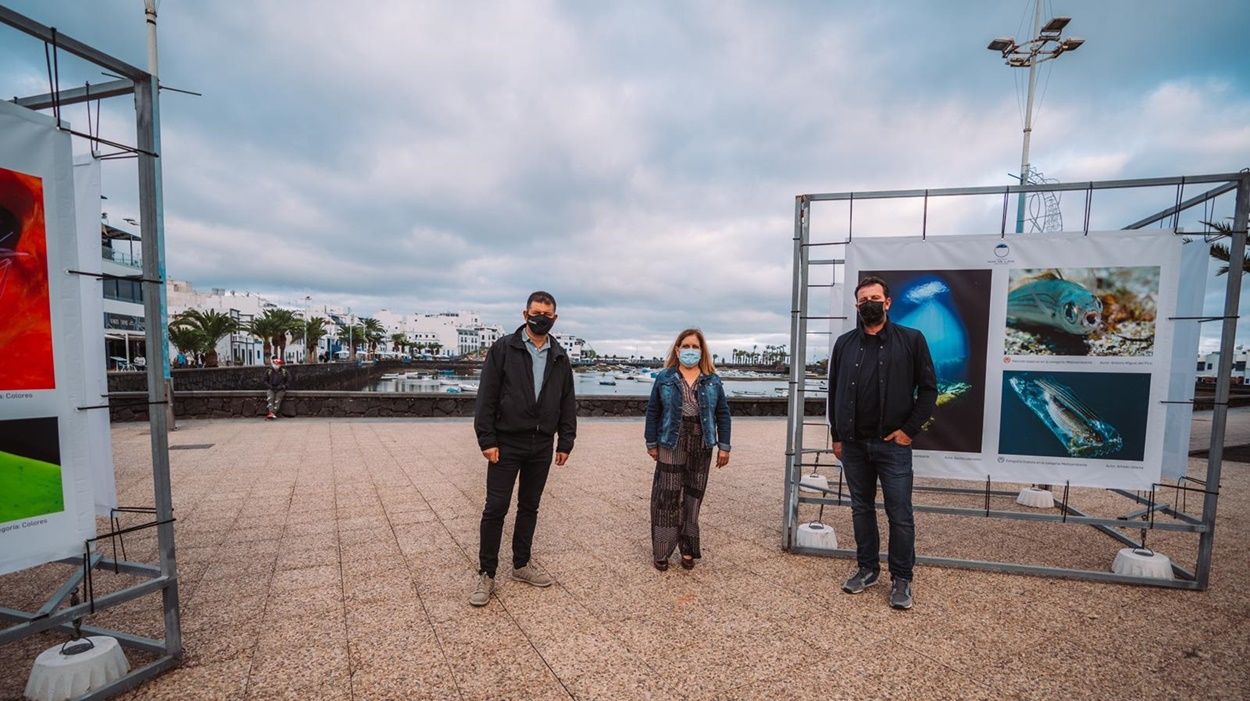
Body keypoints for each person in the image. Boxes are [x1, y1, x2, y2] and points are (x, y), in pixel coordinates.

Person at [828, 276, 937, 610]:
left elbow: (929, 390)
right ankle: (867, 569)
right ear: (856, 306)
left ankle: (901, 578)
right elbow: (832, 390)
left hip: (893, 446)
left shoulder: (911, 340)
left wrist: (909, 431)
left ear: (888, 303)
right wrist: (836, 435)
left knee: (900, 514)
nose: (869, 303)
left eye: (875, 298)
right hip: (854, 445)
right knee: (861, 509)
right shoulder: (844, 344)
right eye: (863, 299)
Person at [470, 291, 577, 607]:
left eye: (546, 313)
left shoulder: (559, 355)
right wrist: (486, 439)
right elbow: (486, 396)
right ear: (525, 314)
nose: (540, 317)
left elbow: (567, 401)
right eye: (535, 312)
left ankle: (520, 564)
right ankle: (487, 573)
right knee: (496, 507)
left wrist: (565, 441)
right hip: (505, 443)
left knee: (530, 506)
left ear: (554, 318)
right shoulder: (504, 348)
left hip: (542, 445)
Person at [644, 329, 731, 571]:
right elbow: (653, 411)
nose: (690, 351)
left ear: (702, 351)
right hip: (671, 440)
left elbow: (722, 414)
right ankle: (662, 551)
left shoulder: (712, 379)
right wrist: (651, 443)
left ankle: (688, 549)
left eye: (695, 346)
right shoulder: (665, 377)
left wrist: (724, 446)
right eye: (686, 346)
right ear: (677, 349)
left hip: (702, 442)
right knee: (667, 496)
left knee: (693, 497)